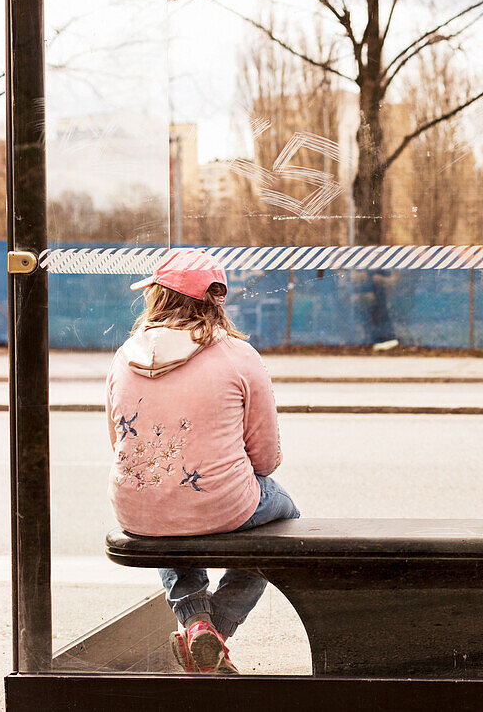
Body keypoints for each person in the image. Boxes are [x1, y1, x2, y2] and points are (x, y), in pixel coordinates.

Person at [106, 248, 300, 674]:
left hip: (136, 507)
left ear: (158, 298)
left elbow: (117, 441)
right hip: (222, 503)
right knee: (285, 515)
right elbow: (266, 459)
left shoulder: (123, 357)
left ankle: (196, 623)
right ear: (214, 300)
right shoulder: (238, 356)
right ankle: (220, 627)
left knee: (166, 502)